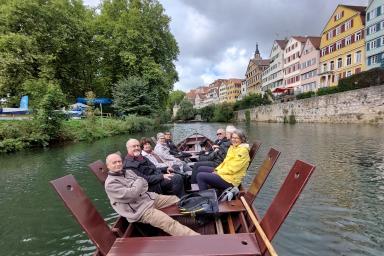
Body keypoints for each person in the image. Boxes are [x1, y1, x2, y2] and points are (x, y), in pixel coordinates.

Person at [104, 153, 199, 236]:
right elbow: (132, 194)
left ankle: (200, 217)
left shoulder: (128, 172)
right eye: (114, 162)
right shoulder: (111, 184)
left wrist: (136, 186)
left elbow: (144, 183)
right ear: (108, 166)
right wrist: (137, 184)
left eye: (119, 161)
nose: (118, 164)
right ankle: (198, 239)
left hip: (150, 199)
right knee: (168, 222)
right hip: (140, 210)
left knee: (177, 199)